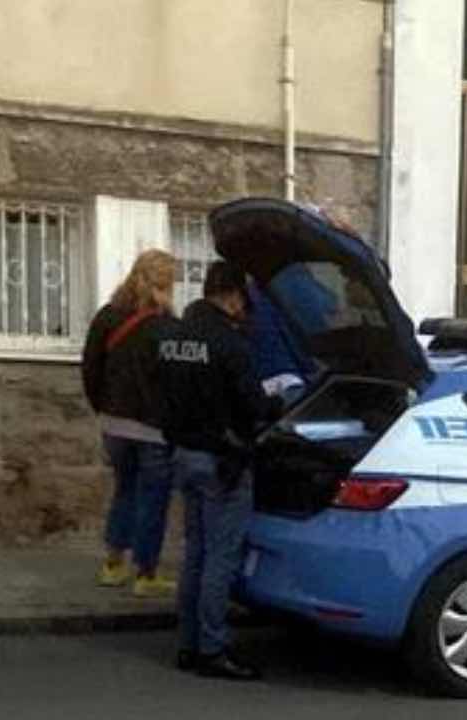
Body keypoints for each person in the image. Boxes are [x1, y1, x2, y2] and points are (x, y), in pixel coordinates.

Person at [160, 261, 281, 681]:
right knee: (220, 558)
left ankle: (189, 645)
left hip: (183, 455)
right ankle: (213, 649)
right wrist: (275, 404)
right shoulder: (230, 343)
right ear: (232, 296)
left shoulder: (173, 336)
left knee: (194, 554)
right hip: (222, 462)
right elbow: (254, 405)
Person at [81, 249, 178, 597]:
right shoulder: (167, 326)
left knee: (125, 490)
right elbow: (174, 382)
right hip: (153, 428)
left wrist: (102, 408)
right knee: (153, 499)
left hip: (114, 424)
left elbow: (90, 367)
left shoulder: (107, 316)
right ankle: (146, 573)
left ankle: (113, 563)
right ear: (165, 284)